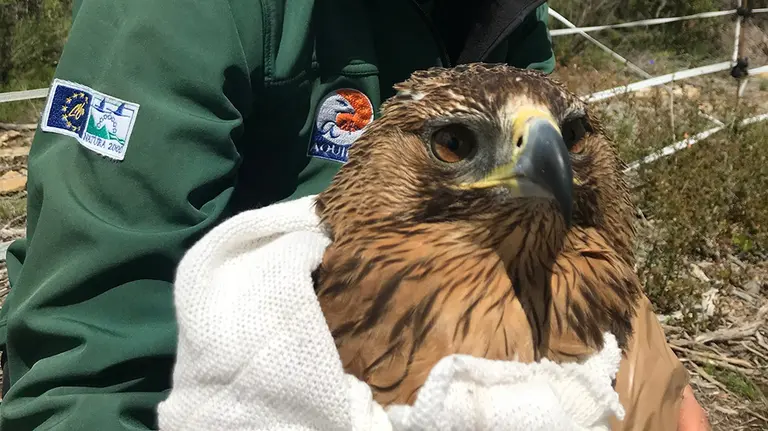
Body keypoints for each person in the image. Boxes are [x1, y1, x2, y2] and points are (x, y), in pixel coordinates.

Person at [0, 0, 708, 429]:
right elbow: (87, 371)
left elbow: (572, 229)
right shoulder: (177, 15)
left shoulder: (506, 11)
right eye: (457, 144)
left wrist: (649, 377)